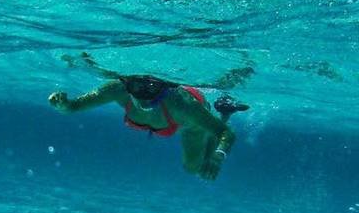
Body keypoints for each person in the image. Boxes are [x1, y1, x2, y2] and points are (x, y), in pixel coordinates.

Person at [48, 53, 253, 181]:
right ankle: (223, 113)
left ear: (165, 87)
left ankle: (224, 112)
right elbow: (72, 107)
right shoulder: (117, 89)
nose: (144, 97)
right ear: (127, 83)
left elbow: (226, 133)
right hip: (175, 117)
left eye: (152, 89)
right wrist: (63, 105)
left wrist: (218, 157)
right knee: (195, 168)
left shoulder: (182, 105)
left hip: (192, 119)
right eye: (136, 87)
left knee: (197, 169)